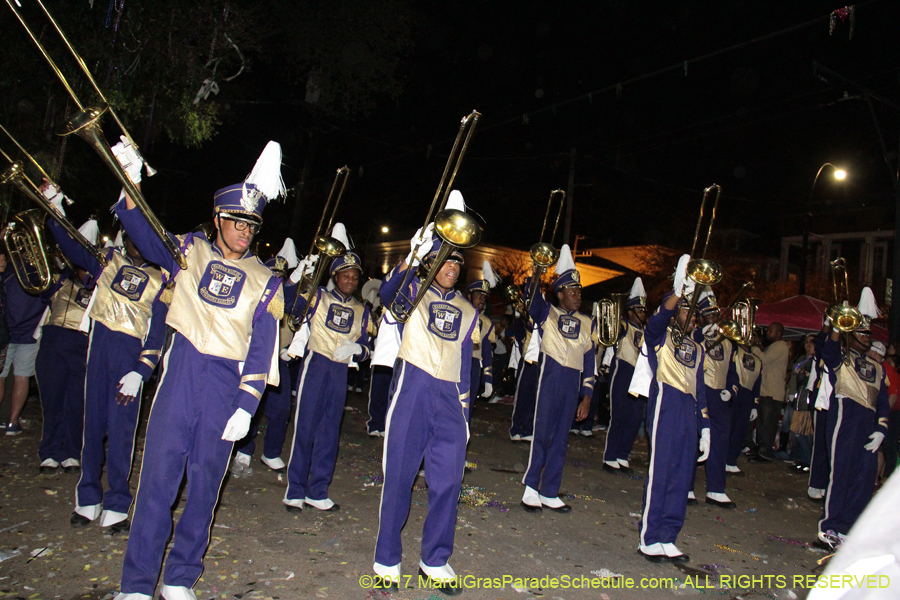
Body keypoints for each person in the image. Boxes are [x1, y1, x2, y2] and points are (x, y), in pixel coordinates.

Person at [112, 140, 284, 600]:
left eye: (252, 224)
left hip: (226, 388)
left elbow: (263, 347)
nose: (245, 231)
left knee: (206, 488)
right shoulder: (189, 252)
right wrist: (130, 183)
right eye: (236, 221)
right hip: (181, 378)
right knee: (157, 484)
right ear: (218, 221)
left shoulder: (268, 282)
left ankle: (180, 577)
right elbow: (147, 235)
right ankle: (137, 584)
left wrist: (248, 405)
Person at [372, 191, 479, 594]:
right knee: (398, 476)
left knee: (448, 483)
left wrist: (465, 416)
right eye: (444, 259)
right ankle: (386, 558)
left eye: (456, 260)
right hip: (413, 390)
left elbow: (467, 368)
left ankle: (435, 560)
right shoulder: (412, 293)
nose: (451, 266)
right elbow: (385, 295)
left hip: (450, 400)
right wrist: (412, 256)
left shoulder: (470, 312)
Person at [283, 232, 370, 513]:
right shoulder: (317, 297)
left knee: (330, 433)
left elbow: (368, 346)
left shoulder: (362, 310)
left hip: (340, 372)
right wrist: (297, 276)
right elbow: (287, 303)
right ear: (335, 276)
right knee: (305, 428)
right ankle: (294, 490)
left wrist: (358, 351)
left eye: (355, 276)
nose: (351, 280)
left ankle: (318, 490)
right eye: (345, 275)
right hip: (316, 365)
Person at [631, 254, 710, 563]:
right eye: (683, 307)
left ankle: (668, 535)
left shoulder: (697, 347)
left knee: (681, 475)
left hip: (689, 410)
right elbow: (656, 322)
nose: (688, 312)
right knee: (661, 472)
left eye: (691, 307)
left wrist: (705, 428)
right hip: (665, 403)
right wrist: (678, 292)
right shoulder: (659, 336)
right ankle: (649, 537)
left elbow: (700, 390)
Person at [520, 244, 595, 513]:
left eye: (580, 291)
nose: (578, 296)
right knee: (542, 434)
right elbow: (531, 296)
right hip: (549, 378)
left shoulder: (588, 323)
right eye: (572, 291)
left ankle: (550, 490)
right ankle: (531, 487)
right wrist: (539, 269)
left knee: (561, 438)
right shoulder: (547, 313)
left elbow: (590, 363)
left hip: (572, 383)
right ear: (560, 293)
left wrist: (586, 397)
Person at [817, 288, 889, 547]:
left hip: (867, 424)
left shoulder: (879, 368)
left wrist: (881, 429)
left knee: (864, 477)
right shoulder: (843, 358)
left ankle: (848, 528)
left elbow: (882, 402)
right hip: (845, 417)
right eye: (862, 333)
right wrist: (838, 325)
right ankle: (829, 527)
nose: (867, 338)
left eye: (868, 334)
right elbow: (826, 350)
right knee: (842, 472)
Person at [232, 239, 300, 475]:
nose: (277, 278)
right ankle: (244, 450)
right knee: (250, 405)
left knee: (281, 410)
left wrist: (290, 348)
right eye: (274, 273)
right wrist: (292, 281)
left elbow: (292, 305)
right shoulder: (258, 290)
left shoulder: (286, 295)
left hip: (279, 361)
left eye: (282, 275)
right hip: (254, 358)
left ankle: (270, 452)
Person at [34, 251, 94, 474]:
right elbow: (34, 281)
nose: (86, 273)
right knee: (53, 400)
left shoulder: (100, 289)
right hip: (54, 342)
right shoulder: (59, 282)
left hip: (83, 345)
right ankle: (49, 451)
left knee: (77, 402)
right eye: (82, 267)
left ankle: (71, 452)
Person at [688, 291, 737, 508]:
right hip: (701, 392)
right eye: (708, 315)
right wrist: (701, 333)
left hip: (719, 396)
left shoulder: (728, 341)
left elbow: (734, 371)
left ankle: (716, 489)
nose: (714, 319)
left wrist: (731, 390)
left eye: (715, 314)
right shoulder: (694, 335)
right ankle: (687, 486)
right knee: (693, 440)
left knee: (720, 442)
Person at [0, 240, 46, 435]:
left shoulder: (10, 273)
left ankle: (11, 422)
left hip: (9, 333)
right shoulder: (41, 275)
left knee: (3, 377)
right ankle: (12, 422)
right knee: (21, 377)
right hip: (27, 334)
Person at [602, 277, 648, 473]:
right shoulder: (623, 325)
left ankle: (623, 455)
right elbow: (610, 332)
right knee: (619, 415)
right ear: (630, 311)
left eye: (644, 310)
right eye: (639, 310)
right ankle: (610, 457)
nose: (643, 313)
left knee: (635, 417)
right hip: (623, 370)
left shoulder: (646, 331)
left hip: (639, 375)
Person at [750, 322, 790, 461]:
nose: (768, 333)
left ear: (779, 333)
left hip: (772, 393)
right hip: (766, 390)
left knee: (768, 424)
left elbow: (764, 360)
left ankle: (765, 453)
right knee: (762, 423)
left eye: (771, 331)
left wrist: (754, 347)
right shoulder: (773, 347)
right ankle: (761, 450)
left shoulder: (780, 346)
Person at [464, 261, 499, 418]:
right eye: (479, 296)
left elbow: (486, 351)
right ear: (469, 296)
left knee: (469, 405)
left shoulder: (486, 322)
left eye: (484, 297)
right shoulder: (461, 314)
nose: (482, 300)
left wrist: (488, 378)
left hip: (474, 366)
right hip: (457, 362)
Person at [725, 340, 762, 476]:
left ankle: (732, 461)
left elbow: (758, 384)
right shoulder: (733, 350)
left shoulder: (757, 360)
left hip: (747, 396)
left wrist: (755, 405)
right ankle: (723, 460)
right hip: (734, 393)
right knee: (728, 429)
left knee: (740, 431)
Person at [865, 341, 898, 483]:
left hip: (891, 414)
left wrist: (882, 416)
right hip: (878, 413)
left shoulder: (886, 369)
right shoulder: (875, 367)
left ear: (876, 353)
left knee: (886, 447)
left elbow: (892, 395)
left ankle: (881, 479)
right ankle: (873, 478)